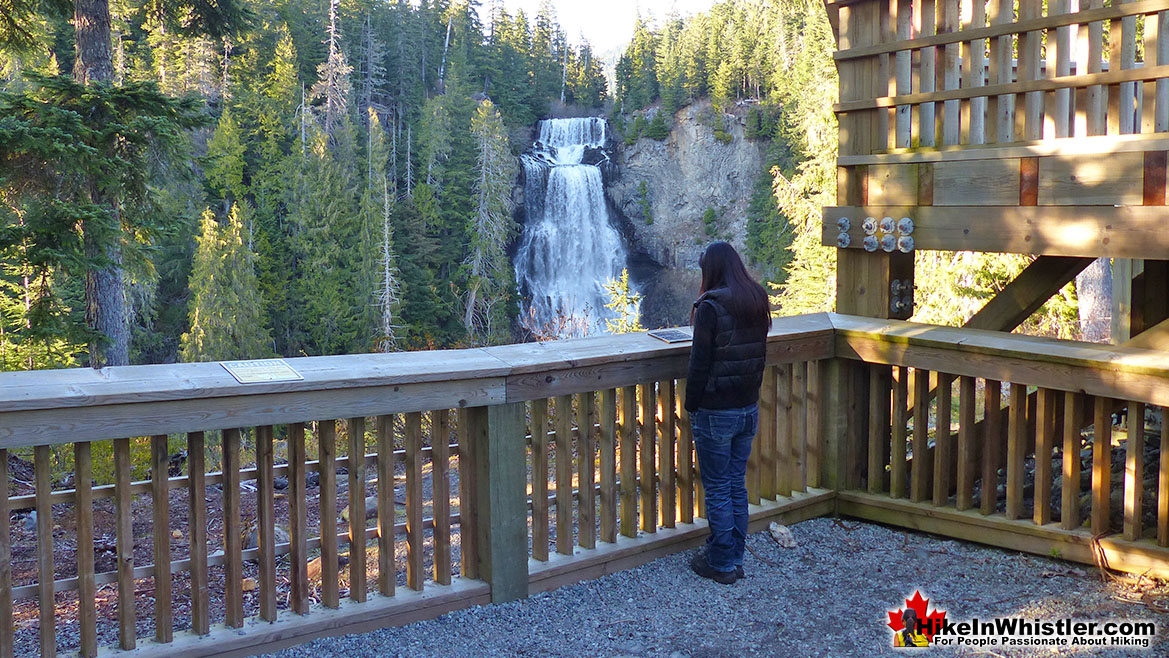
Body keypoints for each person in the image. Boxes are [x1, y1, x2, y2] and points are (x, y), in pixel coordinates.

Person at [684, 241, 770, 585]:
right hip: (748, 407)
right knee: (736, 483)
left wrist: (691, 405)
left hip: (716, 411)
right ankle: (735, 558)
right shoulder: (755, 299)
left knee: (718, 486)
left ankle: (720, 562)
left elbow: (699, 364)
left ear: (712, 270)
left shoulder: (710, 307)